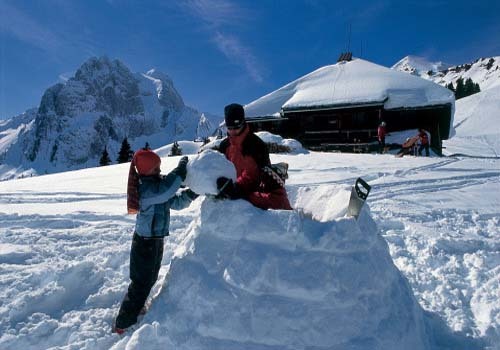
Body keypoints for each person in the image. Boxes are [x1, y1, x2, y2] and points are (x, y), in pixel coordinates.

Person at [114, 149, 198, 334]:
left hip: (155, 241)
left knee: (150, 279)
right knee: (140, 283)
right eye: (156, 168)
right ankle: (123, 323)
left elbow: (174, 202)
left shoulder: (156, 188)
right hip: (144, 243)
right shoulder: (146, 190)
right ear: (147, 170)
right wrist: (181, 168)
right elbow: (168, 190)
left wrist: (192, 194)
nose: (159, 170)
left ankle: (137, 308)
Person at [216, 103, 271, 200]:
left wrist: (238, 188)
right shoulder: (224, 146)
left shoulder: (257, 145)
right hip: (228, 198)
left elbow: (265, 175)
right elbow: (219, 170)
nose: (233, 131)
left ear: (243, 123)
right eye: (229, 128)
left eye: (236, 127)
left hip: (252, 201)